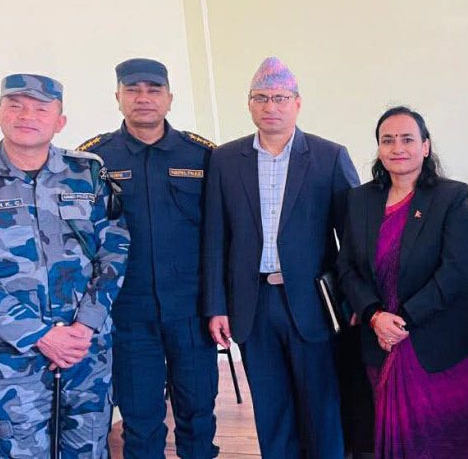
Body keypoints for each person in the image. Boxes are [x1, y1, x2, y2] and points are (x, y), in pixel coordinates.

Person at [201, 57, 359, 458]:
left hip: (312, 302)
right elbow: (216, 237)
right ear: (249, 104)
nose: (270, 106)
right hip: (252, 304)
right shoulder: (225, 159)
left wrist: (357, 301)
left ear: (297, 103)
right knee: (272, 411)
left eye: (280, 97)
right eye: (261, 97)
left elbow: (353, 239)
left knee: (322, 408)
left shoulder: (328, 156)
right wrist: (217, 306)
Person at [78, 58, 218, 458]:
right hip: (128, 312)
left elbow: (220, 235)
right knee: (139, 421)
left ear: (169, 98)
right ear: (118, 97)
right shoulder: (93, 160)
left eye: (153, 90)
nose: (143, 98)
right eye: (133, 90)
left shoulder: (202, 156)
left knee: (198, 414)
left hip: (191, 311)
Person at [336, 106, 468, 458]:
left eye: (407, 139)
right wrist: (375, 316)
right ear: (379, 149)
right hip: (381, 339)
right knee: (399, 438)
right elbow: (347, 267)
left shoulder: (451, 196)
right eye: (387, 140)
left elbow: (456, 270)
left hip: (442, 342)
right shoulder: (360, 200)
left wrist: (402, 321)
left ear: (425, 146)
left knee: (444, 442)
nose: (397, 148)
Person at [0, 73, 130, 457]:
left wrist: (85, 325)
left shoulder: (87, 173)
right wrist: (38, 335)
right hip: (12, 356)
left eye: (41, 109)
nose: (27, 116)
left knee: (89, 449)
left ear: (59, 122)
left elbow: (115, 250)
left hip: (85, 350)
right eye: (15, 105)